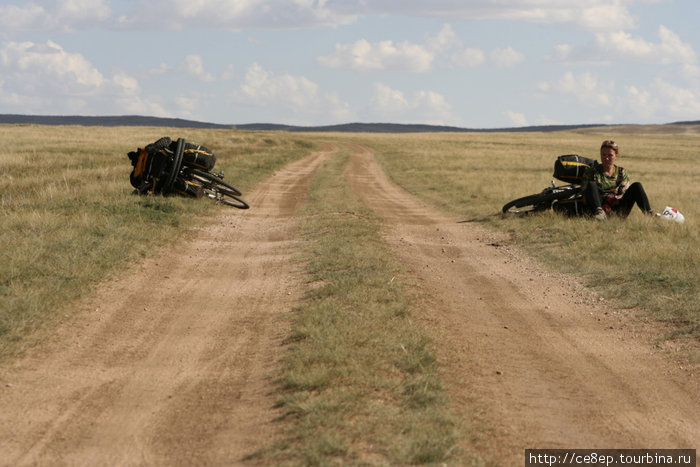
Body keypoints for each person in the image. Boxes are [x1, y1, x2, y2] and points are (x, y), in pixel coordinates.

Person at [581, 140, 655, 221]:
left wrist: (615, 198)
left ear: (616, 156)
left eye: (610, 155)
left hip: (618, 210)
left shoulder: (621, 172)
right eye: (603, 155)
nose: (606, 158)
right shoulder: (592, 172)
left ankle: (649, 213)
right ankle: (599, 213)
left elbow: (623, 193)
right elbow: (585, 197)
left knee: (637, 185)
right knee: (591, 184)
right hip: (598, 209)